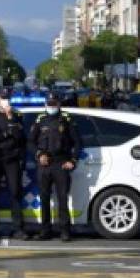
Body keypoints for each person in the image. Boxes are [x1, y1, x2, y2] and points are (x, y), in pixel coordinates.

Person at [30, 94, 82, 242]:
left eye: (54, 103)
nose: (52, 106)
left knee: (62, 199)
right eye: (49, 103)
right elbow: (30, 142)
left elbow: (77, 142)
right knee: (44, 199)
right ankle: (45, 231)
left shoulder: (66, 119)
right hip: (44, 164)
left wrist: (73, 160)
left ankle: (65, 231)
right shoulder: (40, 119)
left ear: (59, 103)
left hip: (61, 164)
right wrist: (39, 154)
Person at [0, 88, 28, 240]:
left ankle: (18, 228)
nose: (5, 100)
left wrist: (10, 119)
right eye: (2, 98)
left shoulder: (17, 114)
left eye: (7, 98)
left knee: (15, 193)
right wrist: (8, 133)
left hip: (12, 159)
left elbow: (20, 137)